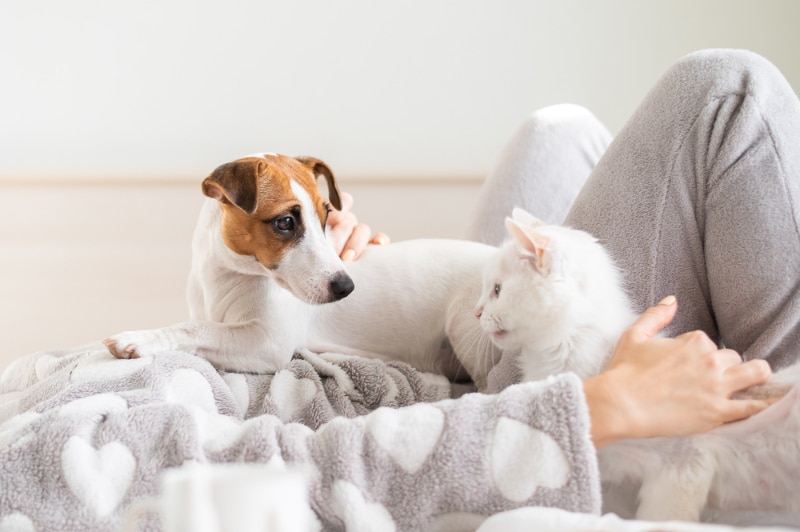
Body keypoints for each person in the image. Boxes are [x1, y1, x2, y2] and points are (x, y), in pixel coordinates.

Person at [327, 48, 799, 449]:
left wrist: (321, 253)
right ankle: (780, 421)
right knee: (729, 92)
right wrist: (605, 405)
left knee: (556, 133)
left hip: (459, 340)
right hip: (521, 393)